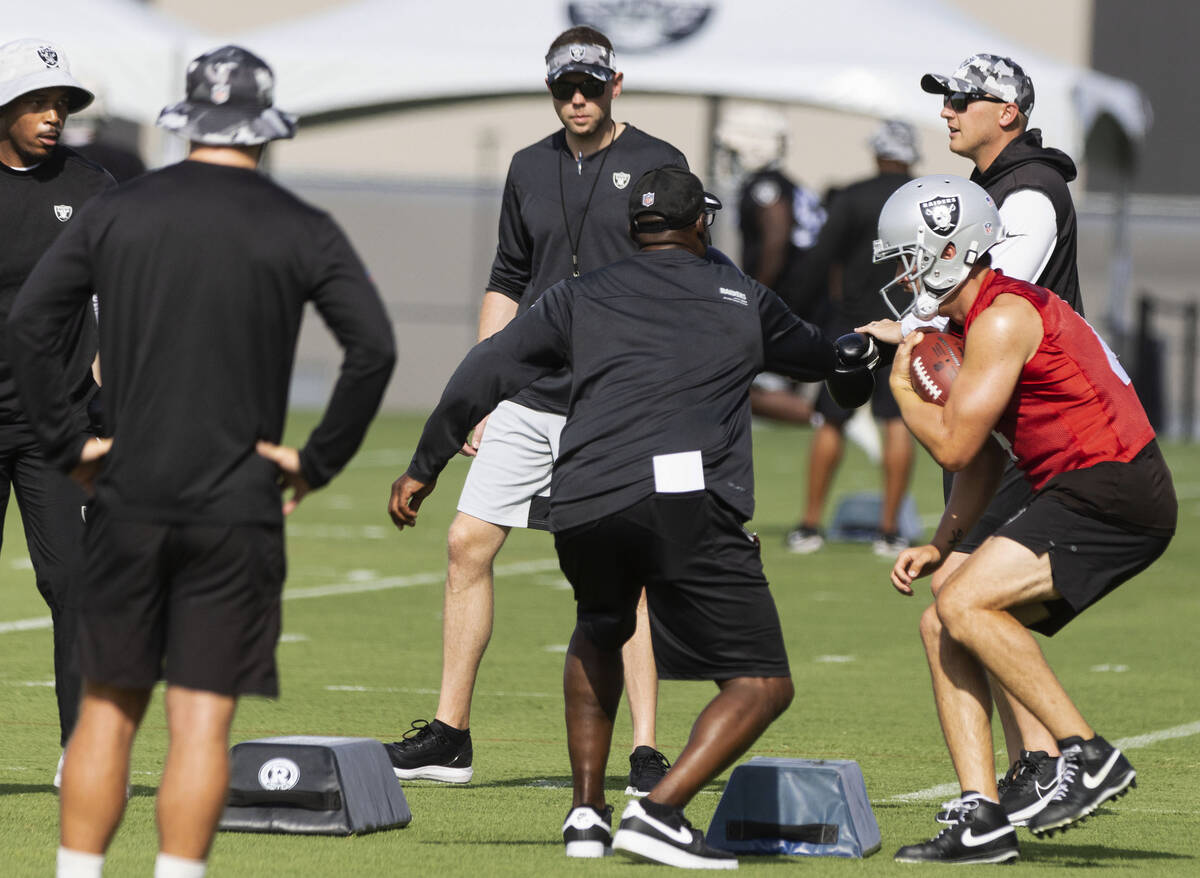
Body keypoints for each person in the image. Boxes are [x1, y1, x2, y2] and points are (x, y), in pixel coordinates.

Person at [388, 166, 880, 867]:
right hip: (687, 503)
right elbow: (824, 366)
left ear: (632, 229)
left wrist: (424, 464)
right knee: (763, 682)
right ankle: (659, 810)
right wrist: (861, 356)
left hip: (583, 499)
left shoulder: (578, 295)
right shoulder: (739, 293)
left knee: (599, 624)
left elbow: (485, 370)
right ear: (702, 224)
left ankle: (586, 815)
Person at [8, 45, 396, 878]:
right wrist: (313, 462)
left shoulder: (118, 209)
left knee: (107, 714)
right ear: (263, 124)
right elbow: (372, 352)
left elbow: (34, 326)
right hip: (237, 500)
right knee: (199, 721)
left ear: (187, 119)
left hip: (127, 489)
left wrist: (70, 445)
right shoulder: (300, 223)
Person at [384, 26, 687, 795]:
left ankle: (646, 749)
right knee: (466, 544)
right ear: (549, 90)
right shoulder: (527, 168)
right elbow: (507, 278)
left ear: (615, 83)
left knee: (631, 572)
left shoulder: (659, 163)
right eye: (563, 88)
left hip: (622, 401)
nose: (576, 99)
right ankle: (451, 736)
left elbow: (682, 278)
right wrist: (486, 389)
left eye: (589, 85)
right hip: (534, 394)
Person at [860, 175, 1175, 864]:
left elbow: (951, 443)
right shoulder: (977, 319)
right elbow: (987, 458)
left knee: (967, 605)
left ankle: (1085, 754)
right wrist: (943, 543)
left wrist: (903, 386)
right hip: (1087, 485)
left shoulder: (1001, 318)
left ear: (949, 249)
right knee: (944, 615)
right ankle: (982, 816)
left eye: (911, 255)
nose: (905, 272)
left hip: (1111, 486)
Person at [915, 53, 1086, 824]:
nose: (947, 111)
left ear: (1007, 112)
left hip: (1039, 435)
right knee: (958, 605)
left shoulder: (1030, 195)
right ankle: (1039, 766)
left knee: (959, 606)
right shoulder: (986, 192)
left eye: (962, 99)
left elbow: (985, 309)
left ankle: (1056, 761)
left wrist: (910, 338)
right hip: (1006, 433)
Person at [0, 37, 114, 783]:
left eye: (62, 105)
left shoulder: (94, 186)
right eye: (38, 103)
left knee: (72, 583)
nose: (52, 118)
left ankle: (81, 748)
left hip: (55, 427)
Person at [784, 120, 918, 558]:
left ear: (877, 153)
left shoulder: (852, 197)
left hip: (852, 326)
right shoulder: (925, 199)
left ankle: (809, 525)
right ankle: (890, 531)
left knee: (831, 419)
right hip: (906, 323)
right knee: (896, 422)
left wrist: (791, 309)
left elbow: (822, 258)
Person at [716, 103, 827, 423]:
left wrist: (755, 294)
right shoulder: (787, 183)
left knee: (732, 378)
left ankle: (825, 419)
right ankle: (826, 416)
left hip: (786, 298)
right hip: (806, 297)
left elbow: (776, 239)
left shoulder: (767, 187)